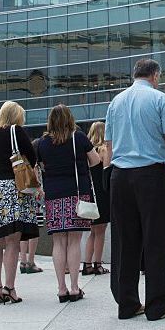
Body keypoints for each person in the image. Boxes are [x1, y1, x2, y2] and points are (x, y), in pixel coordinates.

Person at [106, 58, 165, 321]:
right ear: (155, 75)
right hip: (150, 175)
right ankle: (157, 304)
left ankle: (127, 304)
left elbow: (108, 146)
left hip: (119, 176)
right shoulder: (160, 100)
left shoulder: (115, 102)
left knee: (125, 242)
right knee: (156, 239)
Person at [36, 104, 101, 302]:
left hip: (54, 196)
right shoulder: (78, 138)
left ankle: (61, 288)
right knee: (74, 241)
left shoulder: (42, 143)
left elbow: (37, 168)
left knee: (58, 241)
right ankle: (74, 287)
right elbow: (96, 160)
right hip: (77, 194)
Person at [0, 101, 39, 304]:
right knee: (12, 242)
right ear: (16, 116)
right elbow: (33, 156)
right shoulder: (16, 131)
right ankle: (10, 288)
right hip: (13, 187)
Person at [83, 121, 111, 276]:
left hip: (90, 194)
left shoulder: (87, 151)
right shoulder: (103, 150)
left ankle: (87, 264)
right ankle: (97, 264)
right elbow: (108, 169)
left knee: (92, 232)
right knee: (101, 232)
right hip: (102, 194)